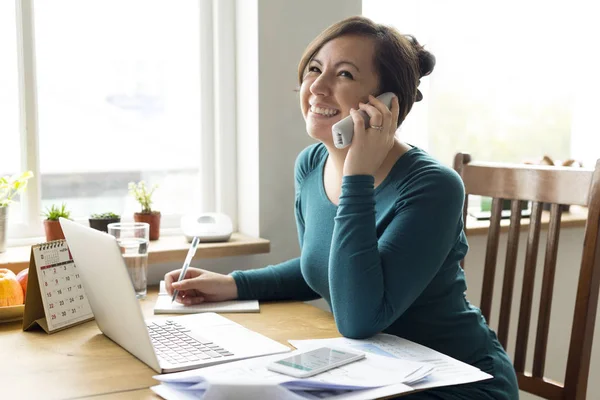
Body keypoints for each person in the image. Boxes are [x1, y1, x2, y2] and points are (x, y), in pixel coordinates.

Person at [164, 16, 519, 399]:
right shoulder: (311, 164)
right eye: (314, 69)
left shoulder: (433, 186)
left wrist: (357, 176)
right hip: (377, 373)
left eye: (344, 75)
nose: (317, 86)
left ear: (385, 103)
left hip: (454, 380)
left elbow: (357, 319)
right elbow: (326, 268)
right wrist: (233, 285)